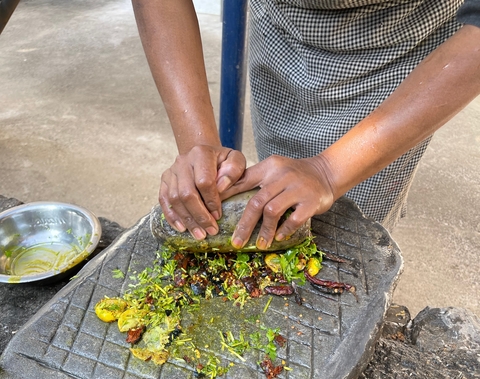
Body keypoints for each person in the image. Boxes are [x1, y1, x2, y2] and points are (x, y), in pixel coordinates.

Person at [131, 0, 480, 250]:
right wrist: (198, 143)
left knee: (350, 225)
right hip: (284, 23)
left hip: (395, 40)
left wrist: (329, 171)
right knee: (275, 197)